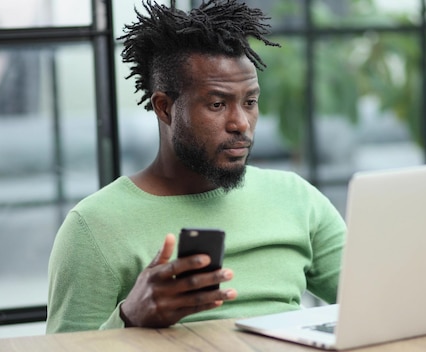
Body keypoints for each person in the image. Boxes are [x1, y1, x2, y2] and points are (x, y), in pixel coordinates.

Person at [46, 0, 345, 333]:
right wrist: (129, 318)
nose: (241, 123)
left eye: (250, 102)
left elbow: (377, 300)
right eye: (217, 104)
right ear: (164, 108)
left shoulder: (297, 199)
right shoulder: (93, 227)